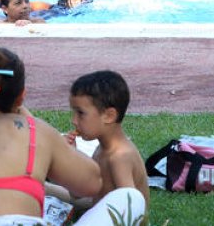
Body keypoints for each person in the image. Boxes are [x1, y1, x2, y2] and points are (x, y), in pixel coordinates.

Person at [0, 47, 142, 226]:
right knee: (131, 198)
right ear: (21, 97)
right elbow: (92, 184)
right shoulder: (36, 131)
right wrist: (62, 151)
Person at [63, 71, 150, 215]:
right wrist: (73, 155)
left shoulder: (119, 157)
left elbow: (131, 209)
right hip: (99, 208)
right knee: (43, 188)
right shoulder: (103, 147)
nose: (74, 120)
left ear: (109, 116)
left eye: (80, 113)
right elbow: (77, 193)